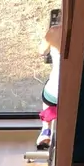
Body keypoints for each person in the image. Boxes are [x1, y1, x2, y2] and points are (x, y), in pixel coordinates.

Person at [35, 19, 61, 151]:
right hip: (76, 94)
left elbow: (41, 51)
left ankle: (46, 130)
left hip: (54, 94)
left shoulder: (54, 31)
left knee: (50, 88)